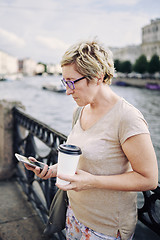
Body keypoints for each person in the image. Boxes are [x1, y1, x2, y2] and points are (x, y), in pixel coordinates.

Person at [25, 40, 158, 240]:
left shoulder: (128, 118)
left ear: (97, 77)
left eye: (71, 82)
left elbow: (149, 179)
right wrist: (52, 170)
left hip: (106, 228)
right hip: (74, 214)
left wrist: (92, 182)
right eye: (65, 82)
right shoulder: (80, 111)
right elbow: (83, 160)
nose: (68, 90)